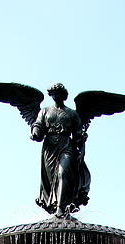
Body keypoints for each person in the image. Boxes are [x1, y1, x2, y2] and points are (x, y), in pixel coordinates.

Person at [31, 83, 90, 217]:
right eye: (53, 93)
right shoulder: (45, 111)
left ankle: (60, 208)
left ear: (63, 95)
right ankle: (54, 205)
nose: (55, 96)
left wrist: (81, 141)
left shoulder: (72, 114)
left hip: (66, 145)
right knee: (51, 179)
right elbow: (38, 124)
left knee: (63, 173)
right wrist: (35, 132)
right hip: (50, 147)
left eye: (58, 93)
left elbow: (77, 135)